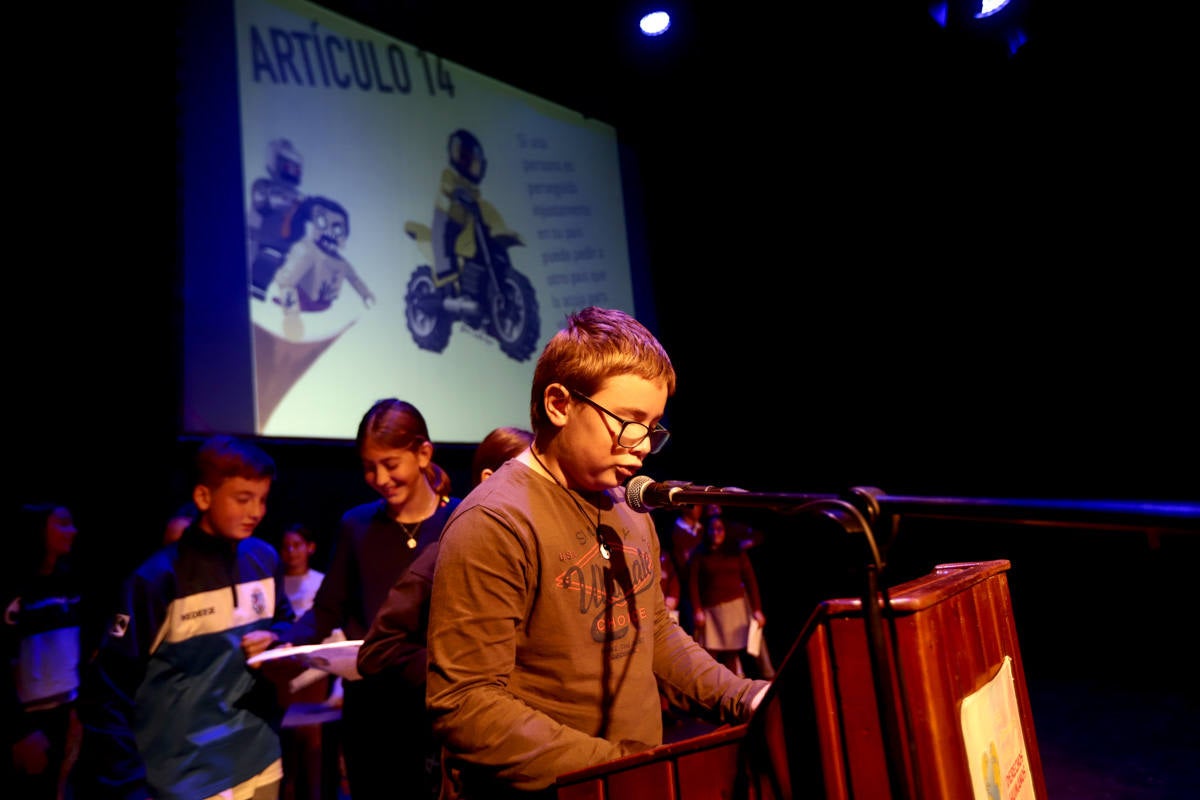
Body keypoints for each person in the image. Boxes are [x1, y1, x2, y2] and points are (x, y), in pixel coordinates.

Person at [425, 306, 771, 799]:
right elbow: (465, 703)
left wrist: (749, 696)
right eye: (629, 420)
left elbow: (654, 634)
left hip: (634, 778)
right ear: (559, 404)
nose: (643, 445)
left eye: (653, 426)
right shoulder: (495, 521)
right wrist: (617, 769)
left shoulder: (628, 507)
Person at [70, 435, 294, 800]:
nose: (257, 511)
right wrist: (128, 784)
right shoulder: (157, 580)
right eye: (243, 499)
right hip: (184, 778)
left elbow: (284, 621)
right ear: (204, 497)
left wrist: (278, 638)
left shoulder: (265, 559)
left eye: (263, 499)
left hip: (260, 759)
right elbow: (108, 691)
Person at [286, 399, 461, 800]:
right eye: (369, 466)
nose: (380, 477)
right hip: (369, 708)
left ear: (423, 454)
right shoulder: (357, 524)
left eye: (390, 463)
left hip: (435, 704)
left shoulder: (461, 520)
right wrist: (285, 642)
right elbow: (327, 607)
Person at [357, 424, 533, 800]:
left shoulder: (535, 549)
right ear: (490, 478)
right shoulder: (449, 548)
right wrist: (463, 672)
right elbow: (378, 650)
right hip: (468, 753)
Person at [2, 502, 84, 800]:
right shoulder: (16, 588)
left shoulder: (69, 582)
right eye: (62, 524)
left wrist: (76, 708)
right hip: (27, 722)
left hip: (64, 711)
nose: (72, 531)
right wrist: (19, 731)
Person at [277, 523, 341, 800]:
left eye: (297, 545)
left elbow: (336, 634)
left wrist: (339, 687)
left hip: (315, 679)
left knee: (312, 752)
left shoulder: (320, 583)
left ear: (310, 548)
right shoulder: (275, 584)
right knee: (284, 755)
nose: (291, 553)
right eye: (286, 547)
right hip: (282, 680)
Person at [687, 510, 768, 678]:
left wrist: (757, 609)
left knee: (732, 652)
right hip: (712, 610)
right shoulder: (700, 554)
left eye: (719, 529)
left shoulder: (735, 551)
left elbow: (751, 581)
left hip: (734, 608)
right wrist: (697, 610)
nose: (716, 533)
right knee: (710, 654)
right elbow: (693, 584)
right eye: (712, 529)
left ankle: (741, 688)